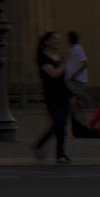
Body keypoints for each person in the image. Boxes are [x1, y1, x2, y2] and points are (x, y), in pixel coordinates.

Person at [31, 31, 73, 163]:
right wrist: (65, 64)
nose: (57, 42)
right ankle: (41, 145)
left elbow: (64, 77)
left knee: (61, 125)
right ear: (47, 41)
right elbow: (54, 73)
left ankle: (60, 153)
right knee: (58, 123)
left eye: (58, 39)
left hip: (64, 94)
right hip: (52, 95)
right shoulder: (43, 57)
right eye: (54, 39)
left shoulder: (60, 57)